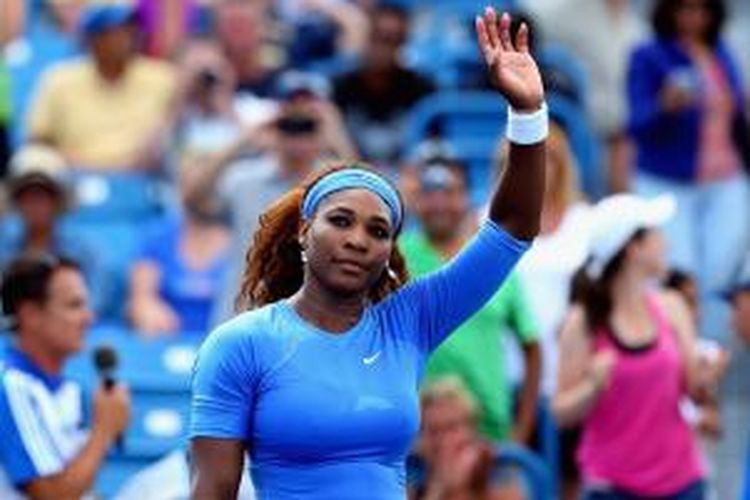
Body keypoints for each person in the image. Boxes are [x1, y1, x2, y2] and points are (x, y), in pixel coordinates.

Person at [189, 8, 547, 498]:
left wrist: (528, 115)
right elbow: (212, 490)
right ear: (303, 232)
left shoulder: (409, 323)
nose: (358, 239)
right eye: (340, 221)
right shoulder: (239, 345)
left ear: (389, 251)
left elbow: (511, 228)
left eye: (379, 231)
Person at [553, 193, 728, 499]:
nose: (666, 244)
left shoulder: (672, 307)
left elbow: (693, 391)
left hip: (682, 484)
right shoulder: (582, 323)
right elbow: (561, 412)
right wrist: (592, 388)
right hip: (612, 488)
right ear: (632, 249)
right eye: (656, 235)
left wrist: (708, 376)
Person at [182, 70, 356, 325]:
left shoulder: (338, 184)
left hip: (313, 325)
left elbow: (378, 201)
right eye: (289, 127)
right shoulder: (244, 180)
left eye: (307, 127)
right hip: (243, 320)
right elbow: (192, 198)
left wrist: (337, 135)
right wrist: (244, 140)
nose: (297, 140)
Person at [627, 0, 750, 338]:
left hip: (724, 179)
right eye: (685, 8)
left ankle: (707, 359)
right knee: (678, 273)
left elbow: (736, 117)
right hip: (667, 180)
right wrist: (664, 106)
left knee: (720, 275)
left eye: (701, 9)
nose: (693, 18)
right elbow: (637, 125)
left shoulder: (721, 53)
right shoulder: (649, 55)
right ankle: (676, 356)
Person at [400, 158, 541, 444]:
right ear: (415, 200)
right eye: (429, 192)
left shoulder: (493, 258)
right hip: (415, 438)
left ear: (466, 197)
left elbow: (532, 344)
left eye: (449, 192)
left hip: (489, 432)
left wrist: (523, 428)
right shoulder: (394, 258)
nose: (439, 203)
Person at [0, 256, 130, 498]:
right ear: (30, 315)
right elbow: (51, 495)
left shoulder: (72, 390)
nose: (88, 318)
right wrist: (103, 430)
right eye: (74, 305)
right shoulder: (10, 385)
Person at [26, 2, 177, 170]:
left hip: (142, 181)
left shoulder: (162, 79)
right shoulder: (59, 80)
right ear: (93, 39)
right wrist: (72, 163)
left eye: (130, 29)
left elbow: (175, 134)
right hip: (74, 179)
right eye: (116, 31)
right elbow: (38, 143)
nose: (127, 37)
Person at [127, 165, 231, 336]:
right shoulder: (157, 237)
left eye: (211, 188)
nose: (205, 197)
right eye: (199, 188)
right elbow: (141, 298)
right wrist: (148, 310)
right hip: (169, 343)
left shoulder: (242, 239)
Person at [0, 145, 104, 313]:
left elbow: (92, 304)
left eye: (42, 196)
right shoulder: (3, 247)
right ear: (17, 202)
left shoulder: (84, 252)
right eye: (27, 196)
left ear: (58, 201)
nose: (35, 205)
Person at [333, 3, 436, 165]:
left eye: (391, 40)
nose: (382, 47)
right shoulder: (340, 87)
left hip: (406, 181)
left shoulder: (422, 89)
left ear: (403, 44)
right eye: (376, 37)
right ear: (364, 37)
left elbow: (429, 149)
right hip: (351, 178)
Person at [408, 377, 524, 500]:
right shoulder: (411, 473)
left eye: (451, 428)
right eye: (434, 431)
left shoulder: (496, 467)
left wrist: (459, 489)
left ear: (472, 429)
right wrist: (439, 488)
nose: (443, 440)